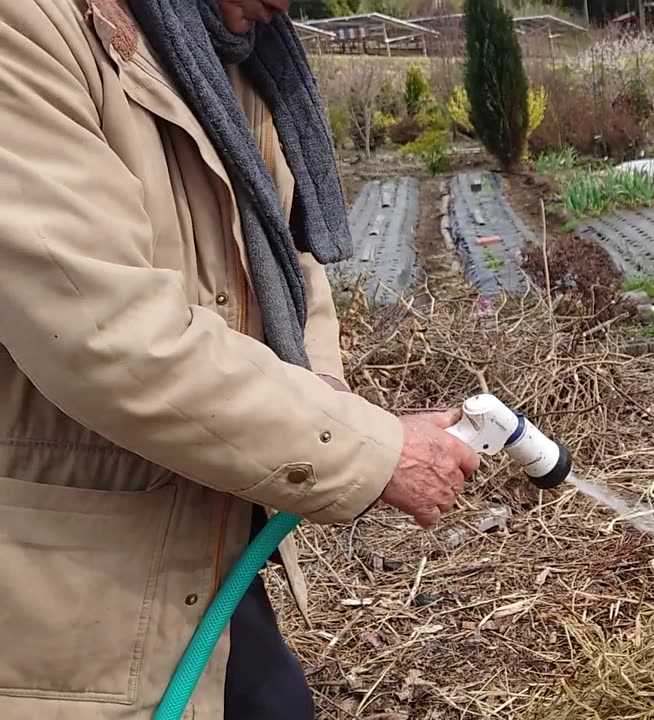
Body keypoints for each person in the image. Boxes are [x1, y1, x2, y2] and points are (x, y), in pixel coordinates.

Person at [0, 1, 480, 718]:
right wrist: (371, 450)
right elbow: (107, 333)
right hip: (61, 571)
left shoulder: (236, 54)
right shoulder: (30, 27)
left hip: (202, 528)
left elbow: (288, 267)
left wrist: (327, 402)